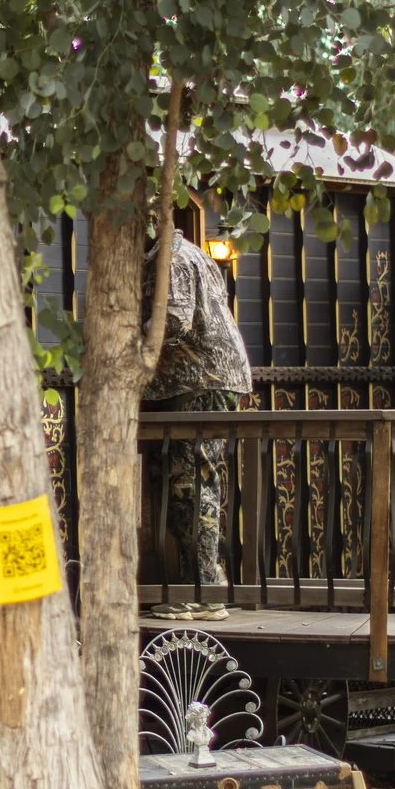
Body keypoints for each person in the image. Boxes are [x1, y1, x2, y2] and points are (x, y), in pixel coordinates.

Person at [144, 228, 252, 621]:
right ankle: (200, 587)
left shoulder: (170, 258)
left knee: (191, 482)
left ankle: (204, 592)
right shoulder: (187, 252)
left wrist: (123, 339)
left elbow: (175, 320)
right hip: (201, 379)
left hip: (200, 380)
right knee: (190, 481)